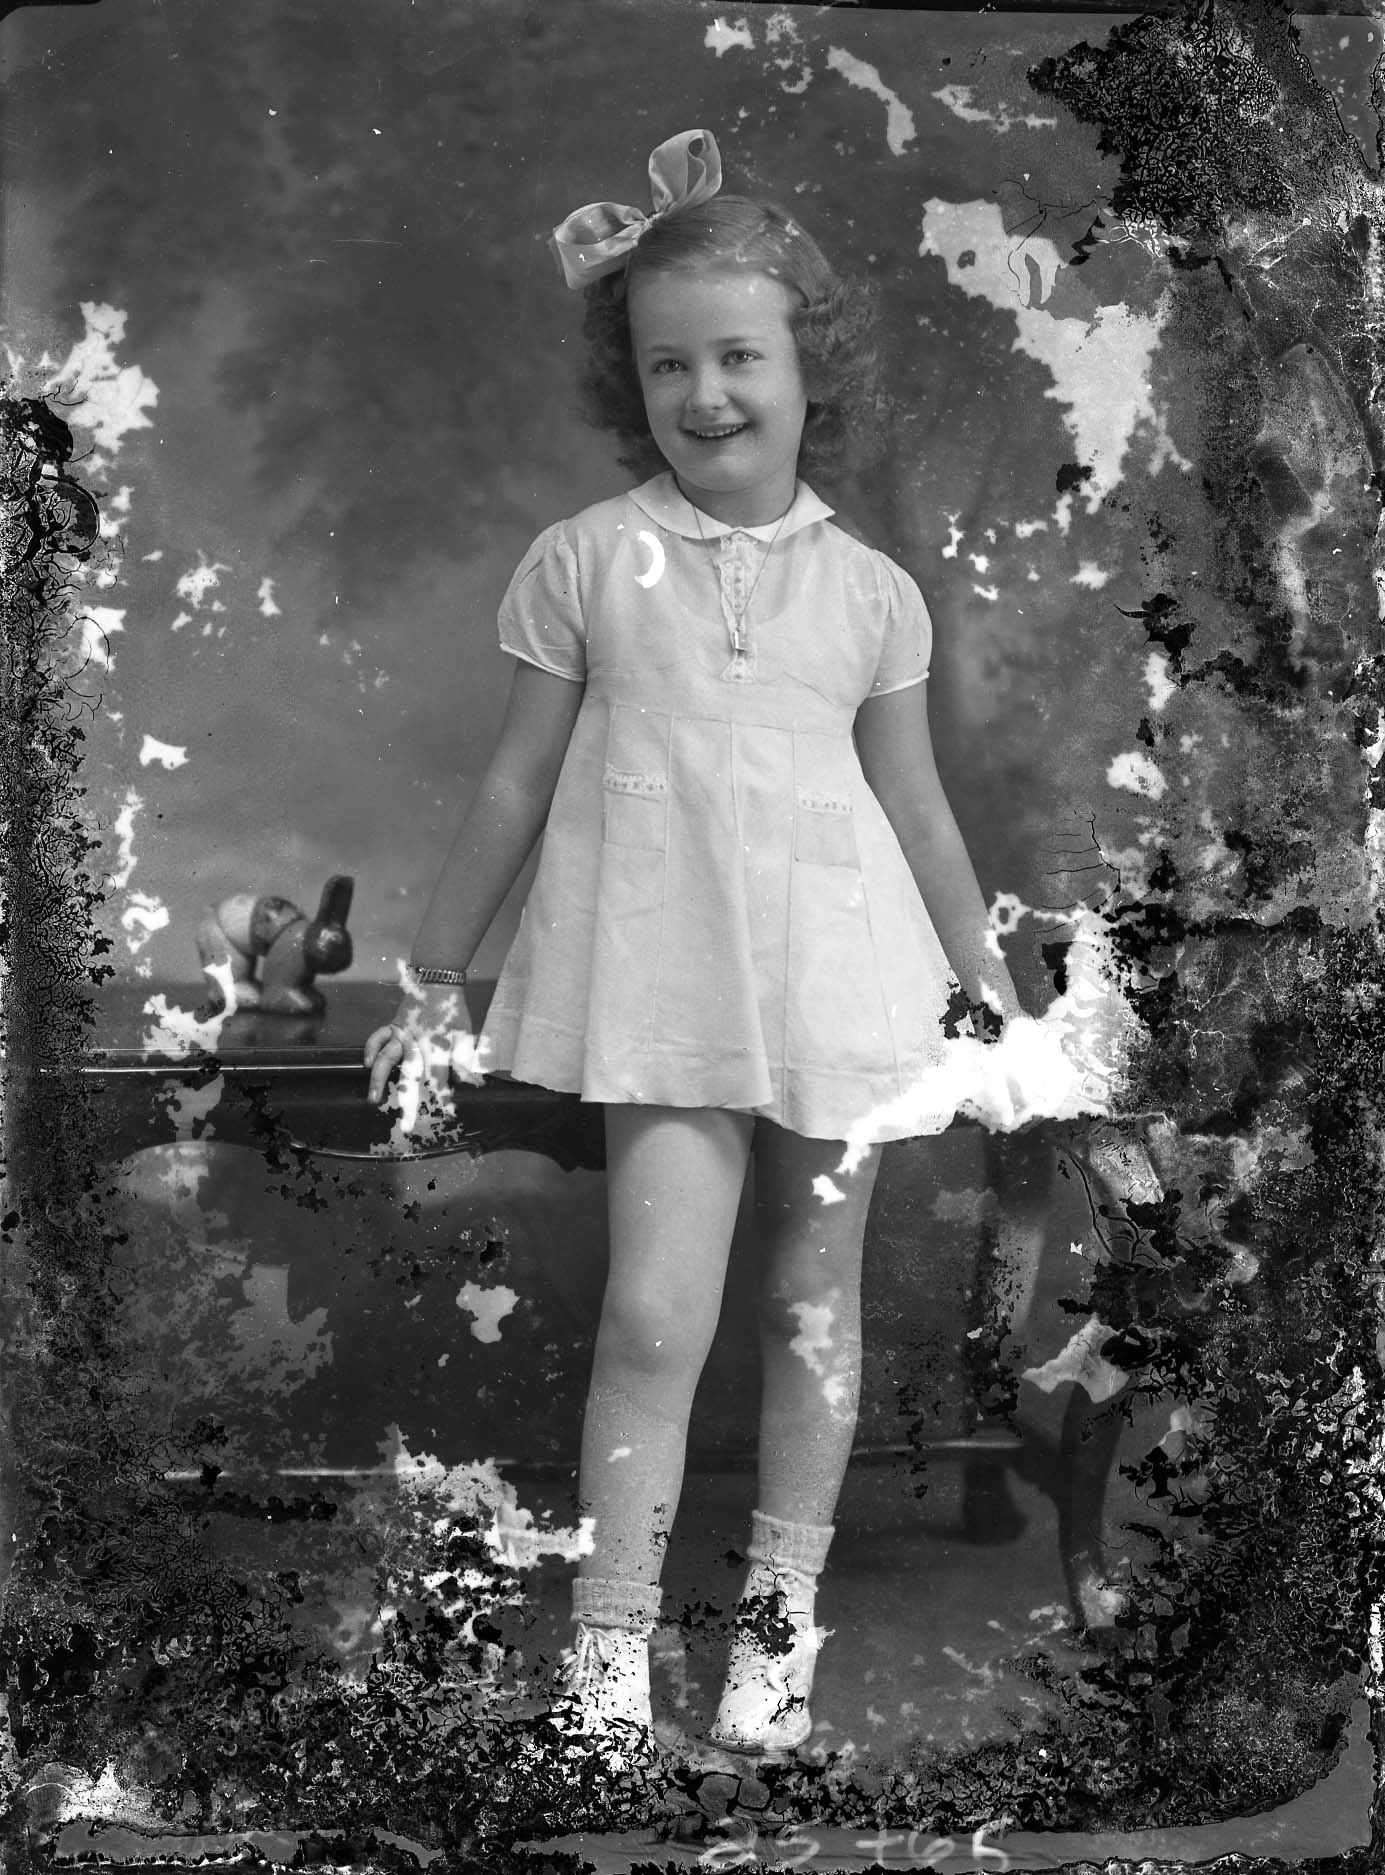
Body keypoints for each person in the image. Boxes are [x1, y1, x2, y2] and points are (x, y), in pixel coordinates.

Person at [364, 129, 1023, 1764]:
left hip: (840, 986)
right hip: (663, 984)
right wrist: (434, 980)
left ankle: (776, 1632)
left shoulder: (871, 594)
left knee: (809, 1308)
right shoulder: (587, 563)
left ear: (808, 371)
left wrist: (987, 987)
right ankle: (608, 1640)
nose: (705, 393)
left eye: (739, 356)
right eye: (669, 364)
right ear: (631, 381)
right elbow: (513, 785)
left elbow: (917, 810)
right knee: (657, 1316)